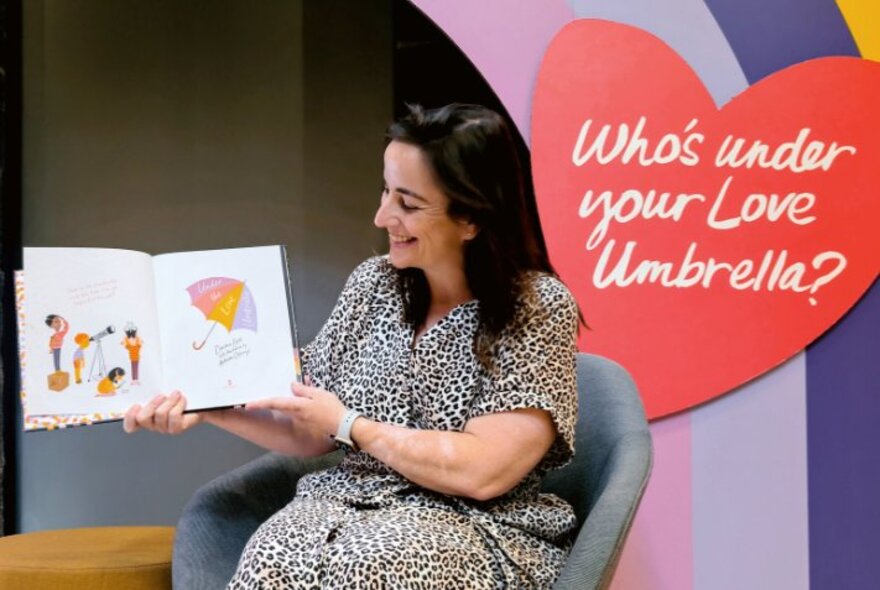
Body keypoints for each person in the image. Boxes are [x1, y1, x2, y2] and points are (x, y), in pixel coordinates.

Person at [124, 104, 580, 589]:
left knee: (368, 566)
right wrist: (207, 404)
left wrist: (351, 425)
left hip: (473, 524)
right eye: (386, 190)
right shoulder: (374, 284)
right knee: (272, 555)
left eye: (408, 204)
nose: (382, 216)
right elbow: (310, 428)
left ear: (471, 218)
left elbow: (483, 472)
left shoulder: (537, 308)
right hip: (343, 505)